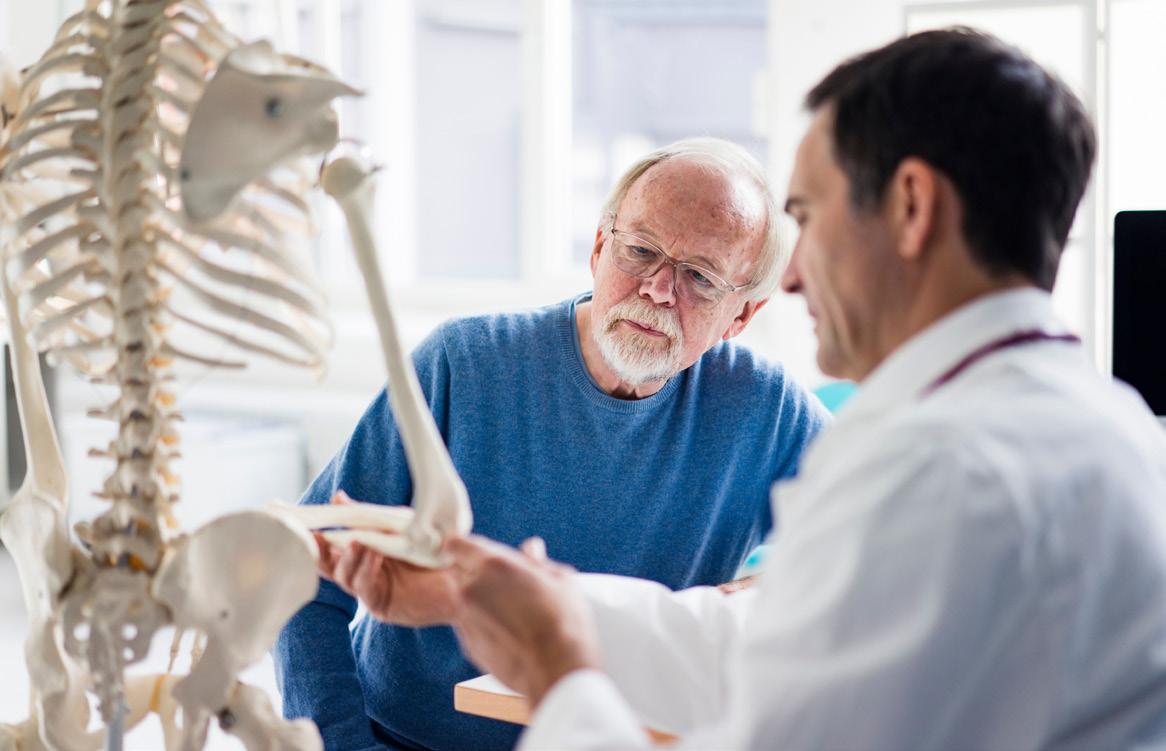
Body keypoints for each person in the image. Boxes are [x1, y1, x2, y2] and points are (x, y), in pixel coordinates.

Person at [321, 28, 1166, 749]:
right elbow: (756, 645)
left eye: (812, 213)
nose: (794, 276)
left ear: (911, 207)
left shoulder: (946, 472)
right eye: (643, 254)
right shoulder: (1099, 428)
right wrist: (507, 594)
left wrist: (558, 676)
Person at [274, 137, 829, 750]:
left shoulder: (767, 409)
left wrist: (760, 594)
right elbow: (301, 572)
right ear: (598, 248)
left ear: (741, 316)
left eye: (699, 277)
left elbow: (868, 555)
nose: (659, 289)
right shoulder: (463, 365)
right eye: (640, 252)